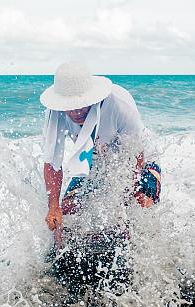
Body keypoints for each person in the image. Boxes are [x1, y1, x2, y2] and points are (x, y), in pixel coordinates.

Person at [39, 62, 161, 236]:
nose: (75, 112)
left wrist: (127, 195)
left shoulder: (119, 104)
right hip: (95, 162)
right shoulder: (55, 112)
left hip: (139, 156)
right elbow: (52, 162)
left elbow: (136, 154)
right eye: (69, 106)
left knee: (139, 202)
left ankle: (141, 246)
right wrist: (53, 206)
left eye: (80, 104)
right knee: (66, 210)